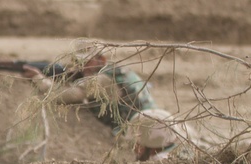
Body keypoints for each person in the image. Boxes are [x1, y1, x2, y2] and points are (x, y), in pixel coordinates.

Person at [21, 52, 157, 133]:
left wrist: (38, 78)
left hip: (135, 131)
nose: (81, 66)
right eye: (77, 62)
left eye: (86, 61)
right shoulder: (117, 71)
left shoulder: (102, 79)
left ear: (101, 60)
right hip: (150, 122)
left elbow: (64, 96)